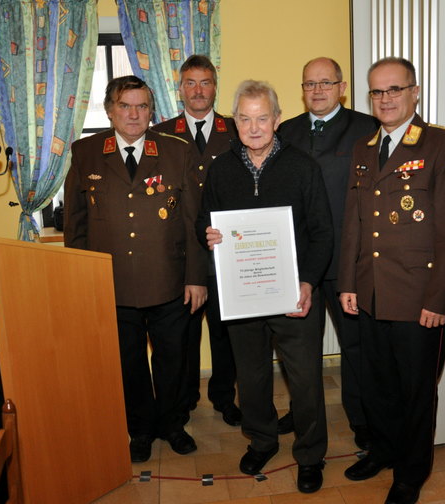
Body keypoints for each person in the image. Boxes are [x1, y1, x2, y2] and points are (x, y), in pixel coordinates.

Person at [337, 57, 445, 504]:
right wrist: (347, 283)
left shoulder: (442, 145)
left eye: (395, 89)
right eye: (377, 92)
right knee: (376, 384)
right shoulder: (364, 148)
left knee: (416, 391)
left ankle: (411, 473)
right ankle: (381, 450)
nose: (386, 99)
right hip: (372, 292)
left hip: (420, 298)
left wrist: (440, 299)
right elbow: (354, 223)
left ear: (414, 92)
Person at [197, 80, 334, 494]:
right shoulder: (220, 169)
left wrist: (308, 281)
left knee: (306, 380)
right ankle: (262, 439)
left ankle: (310, 455)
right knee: (252, 377)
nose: (253, 127)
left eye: (262, 118)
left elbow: (323, 232)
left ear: (276, 119)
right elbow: (203, 227)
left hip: (294, 296)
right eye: (244, 118)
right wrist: (211, 238)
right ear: (233, 121)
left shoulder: (303, 166)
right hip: (243, 297)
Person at [63, 75, 207, 464]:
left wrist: (196, 277)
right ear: (110, 110)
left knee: (173, 359)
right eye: (125, 106)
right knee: (128, 363)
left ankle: (173, 425)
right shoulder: (86, 152)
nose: (134, 114)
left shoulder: (177, 152)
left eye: (142, 106)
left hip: (169, 281)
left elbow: (194, 220)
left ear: (151, 111)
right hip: (113, 284)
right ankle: (140, 430)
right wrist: (83, 278)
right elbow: (75, 224)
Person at [277, 57, 379, 450]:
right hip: (299, 264)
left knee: (355, 349)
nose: (317, 90)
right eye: (309, 84)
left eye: (325, 83)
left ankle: (363, 421)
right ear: (301, 90)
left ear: (342, 87)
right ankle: (302, 411)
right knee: (299, 350)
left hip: (346, 264)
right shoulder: (286, 132)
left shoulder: (366, 129)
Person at [153, 55, 240, 427]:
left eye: (205, 82)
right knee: (182, 336)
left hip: (226, 253)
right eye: (191, 82)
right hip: (181, 255)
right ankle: (184, 399)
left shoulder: (237, 130)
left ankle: (224, 396)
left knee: (225, 334)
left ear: (215, 87)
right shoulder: (160, 134)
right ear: (180, 88)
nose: (198, 90)